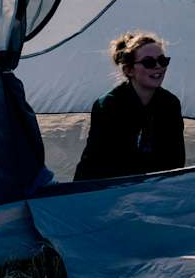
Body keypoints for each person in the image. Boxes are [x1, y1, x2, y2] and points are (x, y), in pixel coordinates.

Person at [73, 32, 186, 180]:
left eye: (163, 60)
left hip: (156, 190)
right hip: (110, 190)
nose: (158, 67)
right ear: (129, 70)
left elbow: (175, 160)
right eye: (149, 62)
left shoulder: (170, 104)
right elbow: (100, 163)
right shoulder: (109, 105)